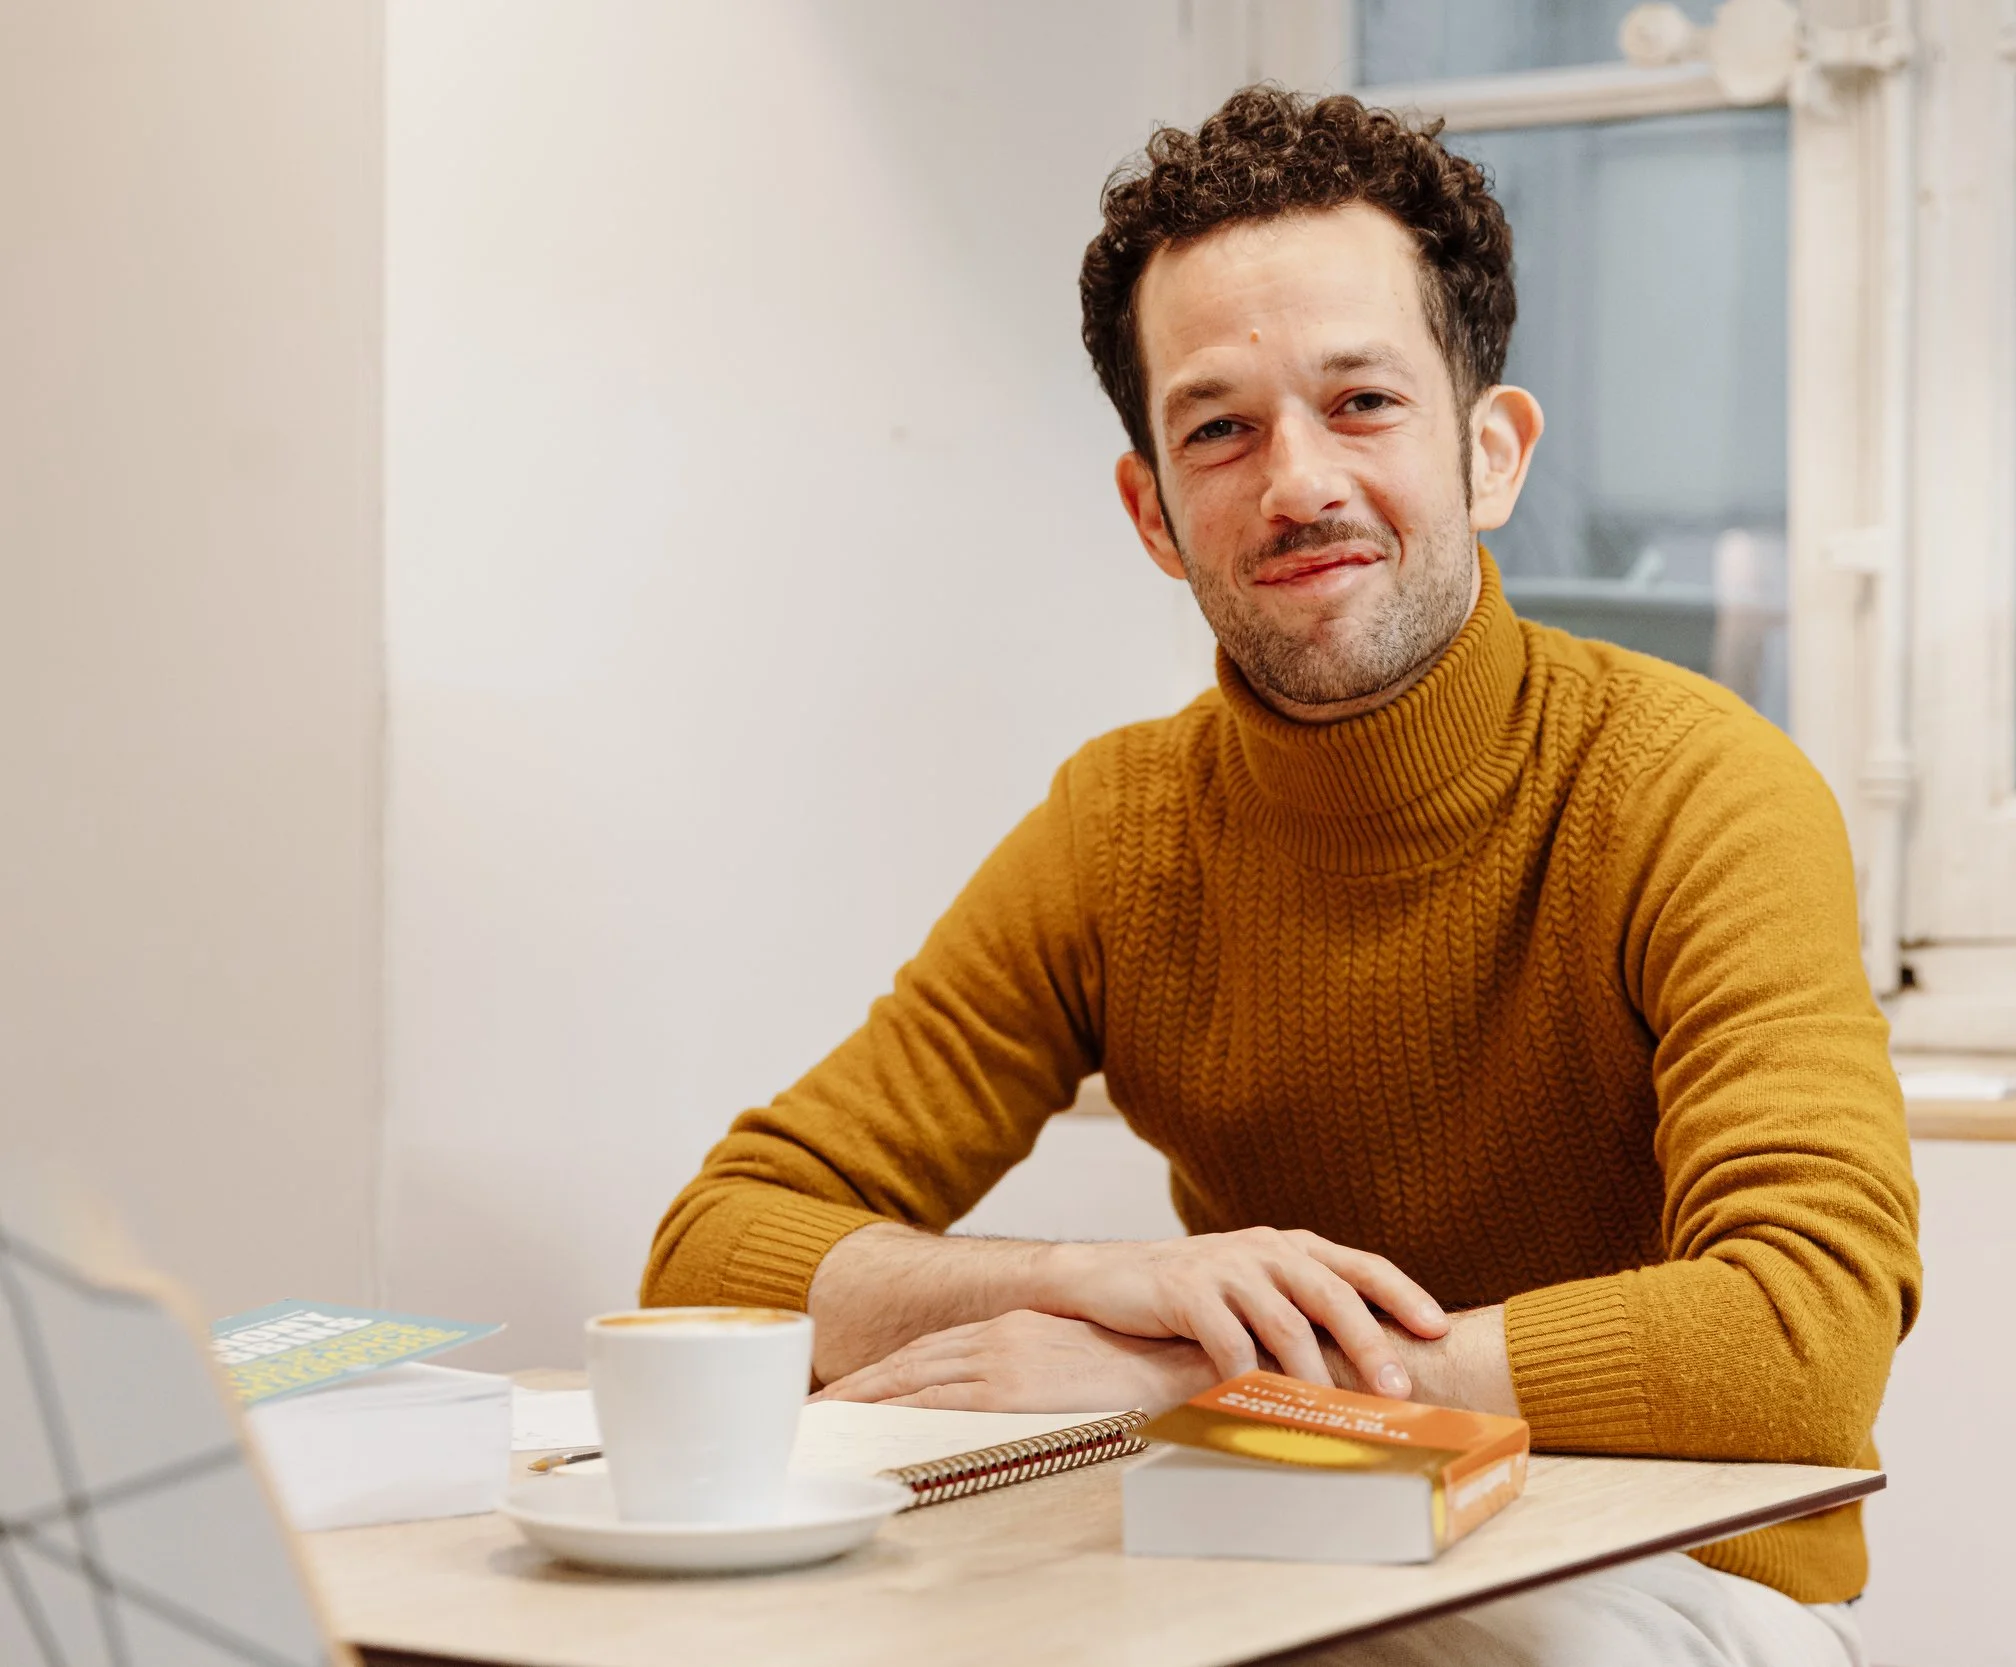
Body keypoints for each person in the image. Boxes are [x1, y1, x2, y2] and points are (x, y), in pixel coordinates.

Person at [643, 86, 1920, 1667]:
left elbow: (1799, 1338)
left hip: (1663, 1578)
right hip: (1266, 1541)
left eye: (1363, 400)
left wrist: (1204, 1382)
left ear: (1491, 451)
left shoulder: (1694, 785)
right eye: (1220, 427)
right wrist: (1111, 1280)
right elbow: (718, 1248)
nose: (1298, 480)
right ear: (1155, 515)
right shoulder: (1121, 825)